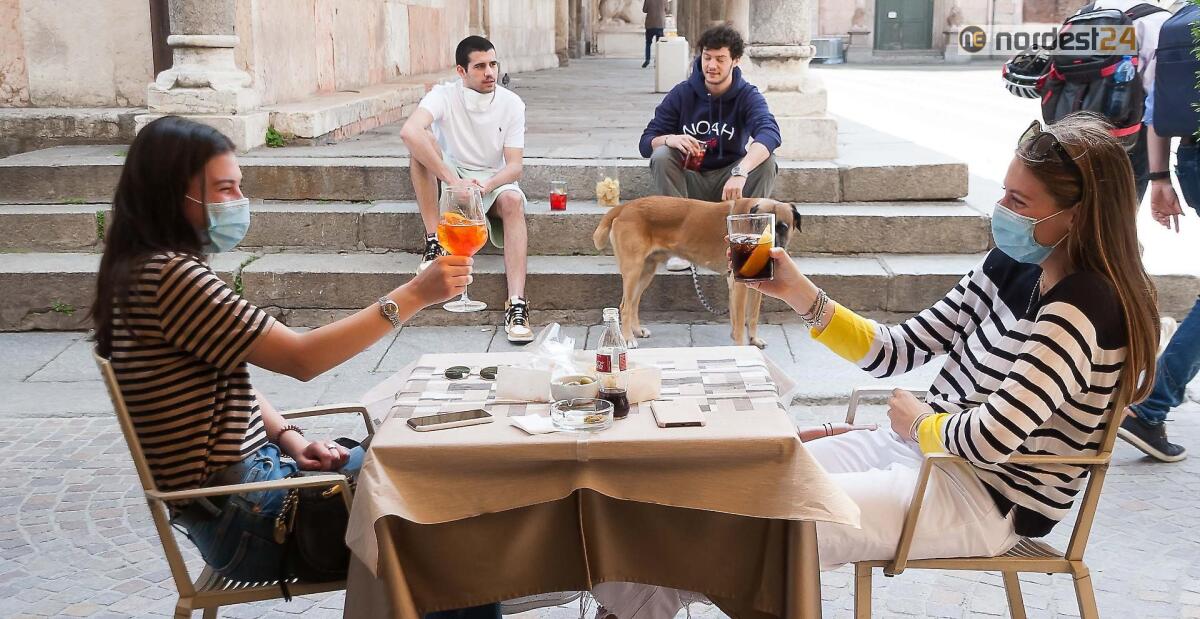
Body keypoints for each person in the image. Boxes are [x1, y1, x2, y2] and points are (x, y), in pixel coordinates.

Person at [597, 112, 1159, 616]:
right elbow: (900, 349)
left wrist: (917, 423)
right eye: (1004, 193)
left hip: (982, 496)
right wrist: (799, 293)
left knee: (754, 530)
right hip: (917, 452)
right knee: (722, 490)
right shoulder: (1012, 263)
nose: (1001, 211)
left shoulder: (1084, 305)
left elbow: (994, 438)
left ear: (1076, 217)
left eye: (1020, 202)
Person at [92, 117, 497, 619]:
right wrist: (413, 295)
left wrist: (289, 437)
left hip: (252, 489)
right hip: (249, 518)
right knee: (447, 521)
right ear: (173, 195)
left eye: (239, 185)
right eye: (224, 189)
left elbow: (224, 373)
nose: (239, 200)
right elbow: (303, 360)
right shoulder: (170, 278)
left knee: (425, 457)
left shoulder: (143, 268)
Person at [400, 35, 534, 343]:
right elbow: (409, 130)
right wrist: (452, 180)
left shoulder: (512, 104)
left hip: (491, 178)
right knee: (419, 147)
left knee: (513, 200)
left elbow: (514, 166)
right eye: (480, 66)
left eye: (493, 64)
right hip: (454, 171)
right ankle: (434, 240)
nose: (489, 73)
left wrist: (486, 186)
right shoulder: (444, 95)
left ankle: (516, 305)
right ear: (461, 72)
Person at [639, 24, 781, 271]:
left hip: (729, 186)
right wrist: (669, 139)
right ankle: (678, 246)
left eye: (720, 59)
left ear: (735, 61)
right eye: (706, 57)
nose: (711, 66)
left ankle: (747, 246)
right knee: (661, 155)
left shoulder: (747, 96)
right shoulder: (682, 94)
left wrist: (741, 171)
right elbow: (646, 141)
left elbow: (770, 133)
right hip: (690, 182)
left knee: (767, 162)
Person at [1119, 85, 1198, 462]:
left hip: (1191, 156)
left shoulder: (1182, 26)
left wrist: (1159, 177)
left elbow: (1158, 109)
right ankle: (1149, 409)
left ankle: (1150, 408)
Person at [642, 0, 667, 68]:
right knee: (659, 45)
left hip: (650, 24)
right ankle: (657, 61)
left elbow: (644, 10)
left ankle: (647, 60)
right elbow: (667, 9)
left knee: (648, 43)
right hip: (660, 24)